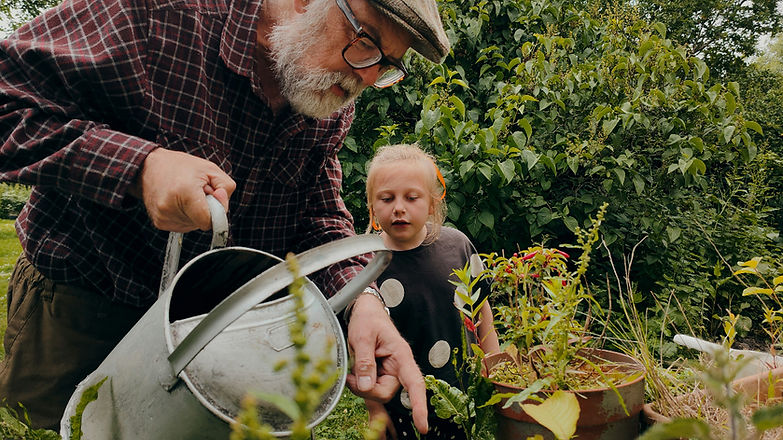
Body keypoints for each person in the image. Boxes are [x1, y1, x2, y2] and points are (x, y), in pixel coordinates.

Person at [0, 0, 451, 432]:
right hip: (82, 314)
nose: (366, 76)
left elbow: (315, 211)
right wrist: (140, 167)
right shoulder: (158, 15)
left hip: (222, 335)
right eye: (366, 40)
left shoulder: (328, 92)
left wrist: (362, 300)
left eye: (387, 63)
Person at [361, 144, 500, 439]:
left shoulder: (457, 246)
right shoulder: (366, 263)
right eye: (387, 198)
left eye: (412, 198)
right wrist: (374, 407)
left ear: (432, 205)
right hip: (399, 402)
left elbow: (481, 310)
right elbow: (363, 345)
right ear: (373, 207)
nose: (399, 207)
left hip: (462, 393)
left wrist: (494, 363)